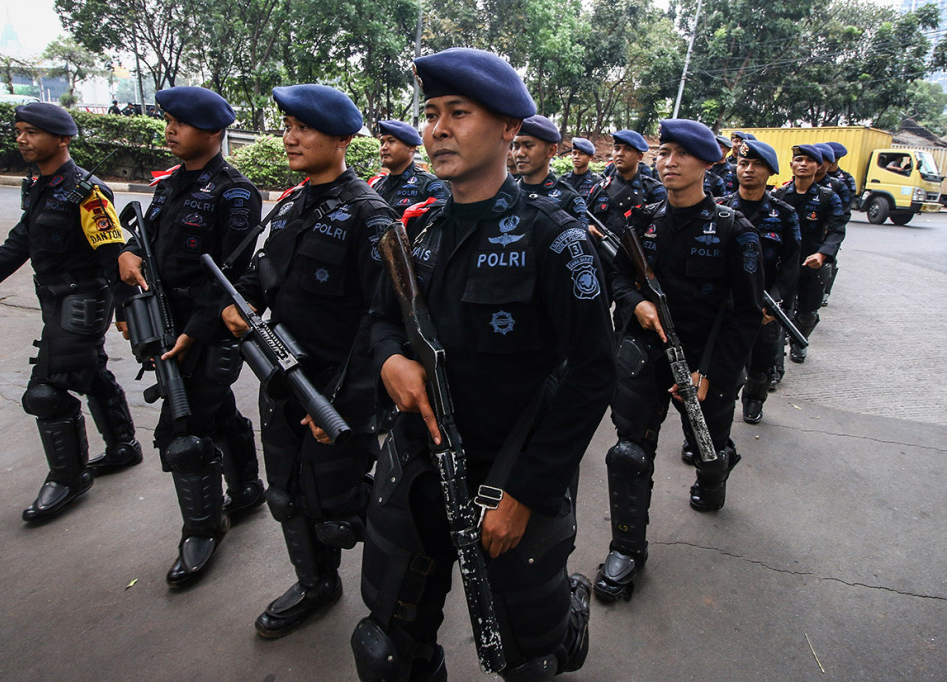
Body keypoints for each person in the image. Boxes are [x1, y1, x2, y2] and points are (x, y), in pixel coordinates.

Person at [355, 47, 613, 680]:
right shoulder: (419, 230)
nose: (438, 129)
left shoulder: (555, 238)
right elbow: (380, 318)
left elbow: (592, 374)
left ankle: (567, 616)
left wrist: (526, 492)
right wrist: (390, 361)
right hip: (418, 468)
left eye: (459, 113)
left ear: (507, 129)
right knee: (387, 651)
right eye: (431, 114)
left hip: (511, 474)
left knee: (530, 660)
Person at [222, 84, 397, 639]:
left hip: (336, 390)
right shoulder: (292, 203)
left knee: (339, 510)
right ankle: (317, 584)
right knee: (285, 495)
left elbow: (381, 320)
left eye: (305, 128)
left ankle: (402, 586)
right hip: (282, 377)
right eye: (288, 126)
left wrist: (343, 404)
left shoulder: (370, 215)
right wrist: (242, 302)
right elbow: (263, 273)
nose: (290, 137)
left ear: (342, 139)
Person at [0, 103, 142, 522]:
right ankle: (123, 446)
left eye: (31, 132)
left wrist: (127, 309)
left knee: (46, 392)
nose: (22, 139)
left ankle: (69, 477)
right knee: (90, 371)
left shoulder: (87, 192)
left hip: (83, 300)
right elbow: (19, 243)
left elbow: (113, 253)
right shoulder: (39, 185)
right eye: (19, 131)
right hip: (54, 299)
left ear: (62, 139)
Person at [594, 119, 763, 603]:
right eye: (663, 152)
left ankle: (715, 473)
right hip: (645, 353)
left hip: (705, 361)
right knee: (629, 452)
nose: (668, 163)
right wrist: (635, 304)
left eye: (681, 154)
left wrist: (711, 372)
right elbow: (618, 278)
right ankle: (627, 547)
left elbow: (746, 314)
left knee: (706, 447)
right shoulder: (643, 218)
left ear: (708, 163)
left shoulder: (736, 231)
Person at [117, 86, 263, 587]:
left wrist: (195, 333)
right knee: (214, 410)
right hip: (163, 319)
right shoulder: (171, 184)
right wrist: (129, 256)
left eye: (181, 123)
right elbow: (150, 242)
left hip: (208, 326)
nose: (170, 130)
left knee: (184, 434)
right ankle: (246, 488)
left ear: (214, 131)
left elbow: (232, 273)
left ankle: (203, 528)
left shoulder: (235, 192)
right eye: (168, 121)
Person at [717, 140, 800, 425]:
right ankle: (718, 411)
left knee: (762, 360)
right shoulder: (719, 208)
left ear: (770, 172)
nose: (748, 170)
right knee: (722, 362)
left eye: (757, 165)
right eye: (743, 164)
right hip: (725, 302)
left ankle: (754, 399)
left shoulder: (785, 214)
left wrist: (775, 300)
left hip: (766, 302)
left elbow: (790, 264)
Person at [772, 144, 846, 365]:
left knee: (807, 313)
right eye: (799, 160)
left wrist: (823, 255)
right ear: (791, 165)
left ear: (819, 166)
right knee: (778, 313)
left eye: (809, 161)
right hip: (783, 264)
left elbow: (836, 230)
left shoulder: (828, 197)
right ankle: (774, 364)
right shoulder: (779, 194)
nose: (803, 164)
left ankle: (799, 342)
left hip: (812, 263)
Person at [511, 114, 588, 228]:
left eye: (528, 146)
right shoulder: (506, 193)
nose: (519, 153)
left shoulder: (569, 199)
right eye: (516, 146)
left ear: (551, 151)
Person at [587, 129, 666, 238]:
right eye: (617, 148)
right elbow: (585, 218)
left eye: (628, 149)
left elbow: (663, 228)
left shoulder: (654, 190)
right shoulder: (599, 188)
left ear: (639, 157)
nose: (620, 153)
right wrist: (588, 227)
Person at [370, 119, 448, 215]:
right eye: (382, 143)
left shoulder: (430, 185)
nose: (384, 147)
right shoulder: (377, 186)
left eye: (391, 141)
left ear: (411, 147)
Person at [823, 141, 855, 306]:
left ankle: (824, 292)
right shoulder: (814, 176)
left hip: (832, 226)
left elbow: (845, 209)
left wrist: (833, 227)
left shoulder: (845, 180)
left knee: (829, 259)